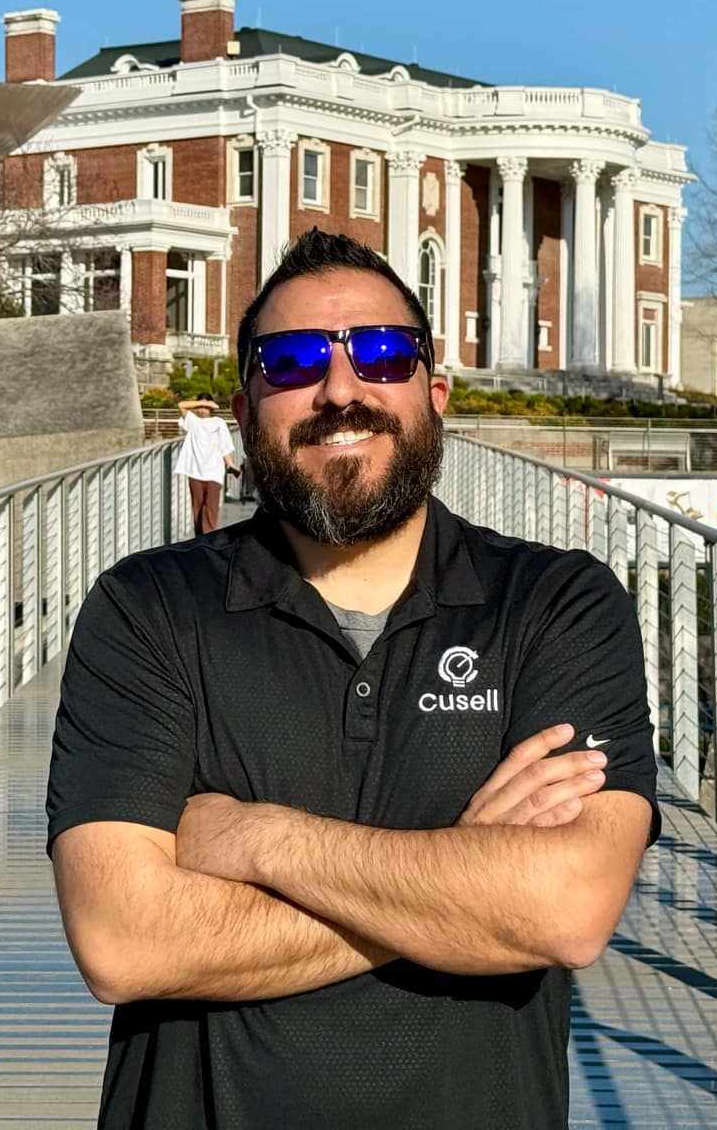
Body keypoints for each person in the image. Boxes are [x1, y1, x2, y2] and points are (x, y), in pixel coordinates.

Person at [47, 229, 658, 1129]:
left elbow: (567, 909)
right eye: (292, 362)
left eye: (381, 353)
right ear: (247, 406)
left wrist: (260, 841)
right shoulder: (148, 609)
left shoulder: (555, 602)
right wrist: (464, 872)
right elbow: (121, 939)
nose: (341, 389)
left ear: (434, 395)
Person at [171, 392, 236, 533]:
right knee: (198, 509)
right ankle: (200, 539)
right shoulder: (193, 420)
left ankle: (208, 541)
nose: (202, 409)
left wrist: (230, 464)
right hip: (195, 472)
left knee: (211, 509)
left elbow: (224, 446)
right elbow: (181, 405)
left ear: (211, 408)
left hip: (214, 472)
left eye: (206, 406)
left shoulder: (219, 422)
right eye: (200, 406)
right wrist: (203, 403)